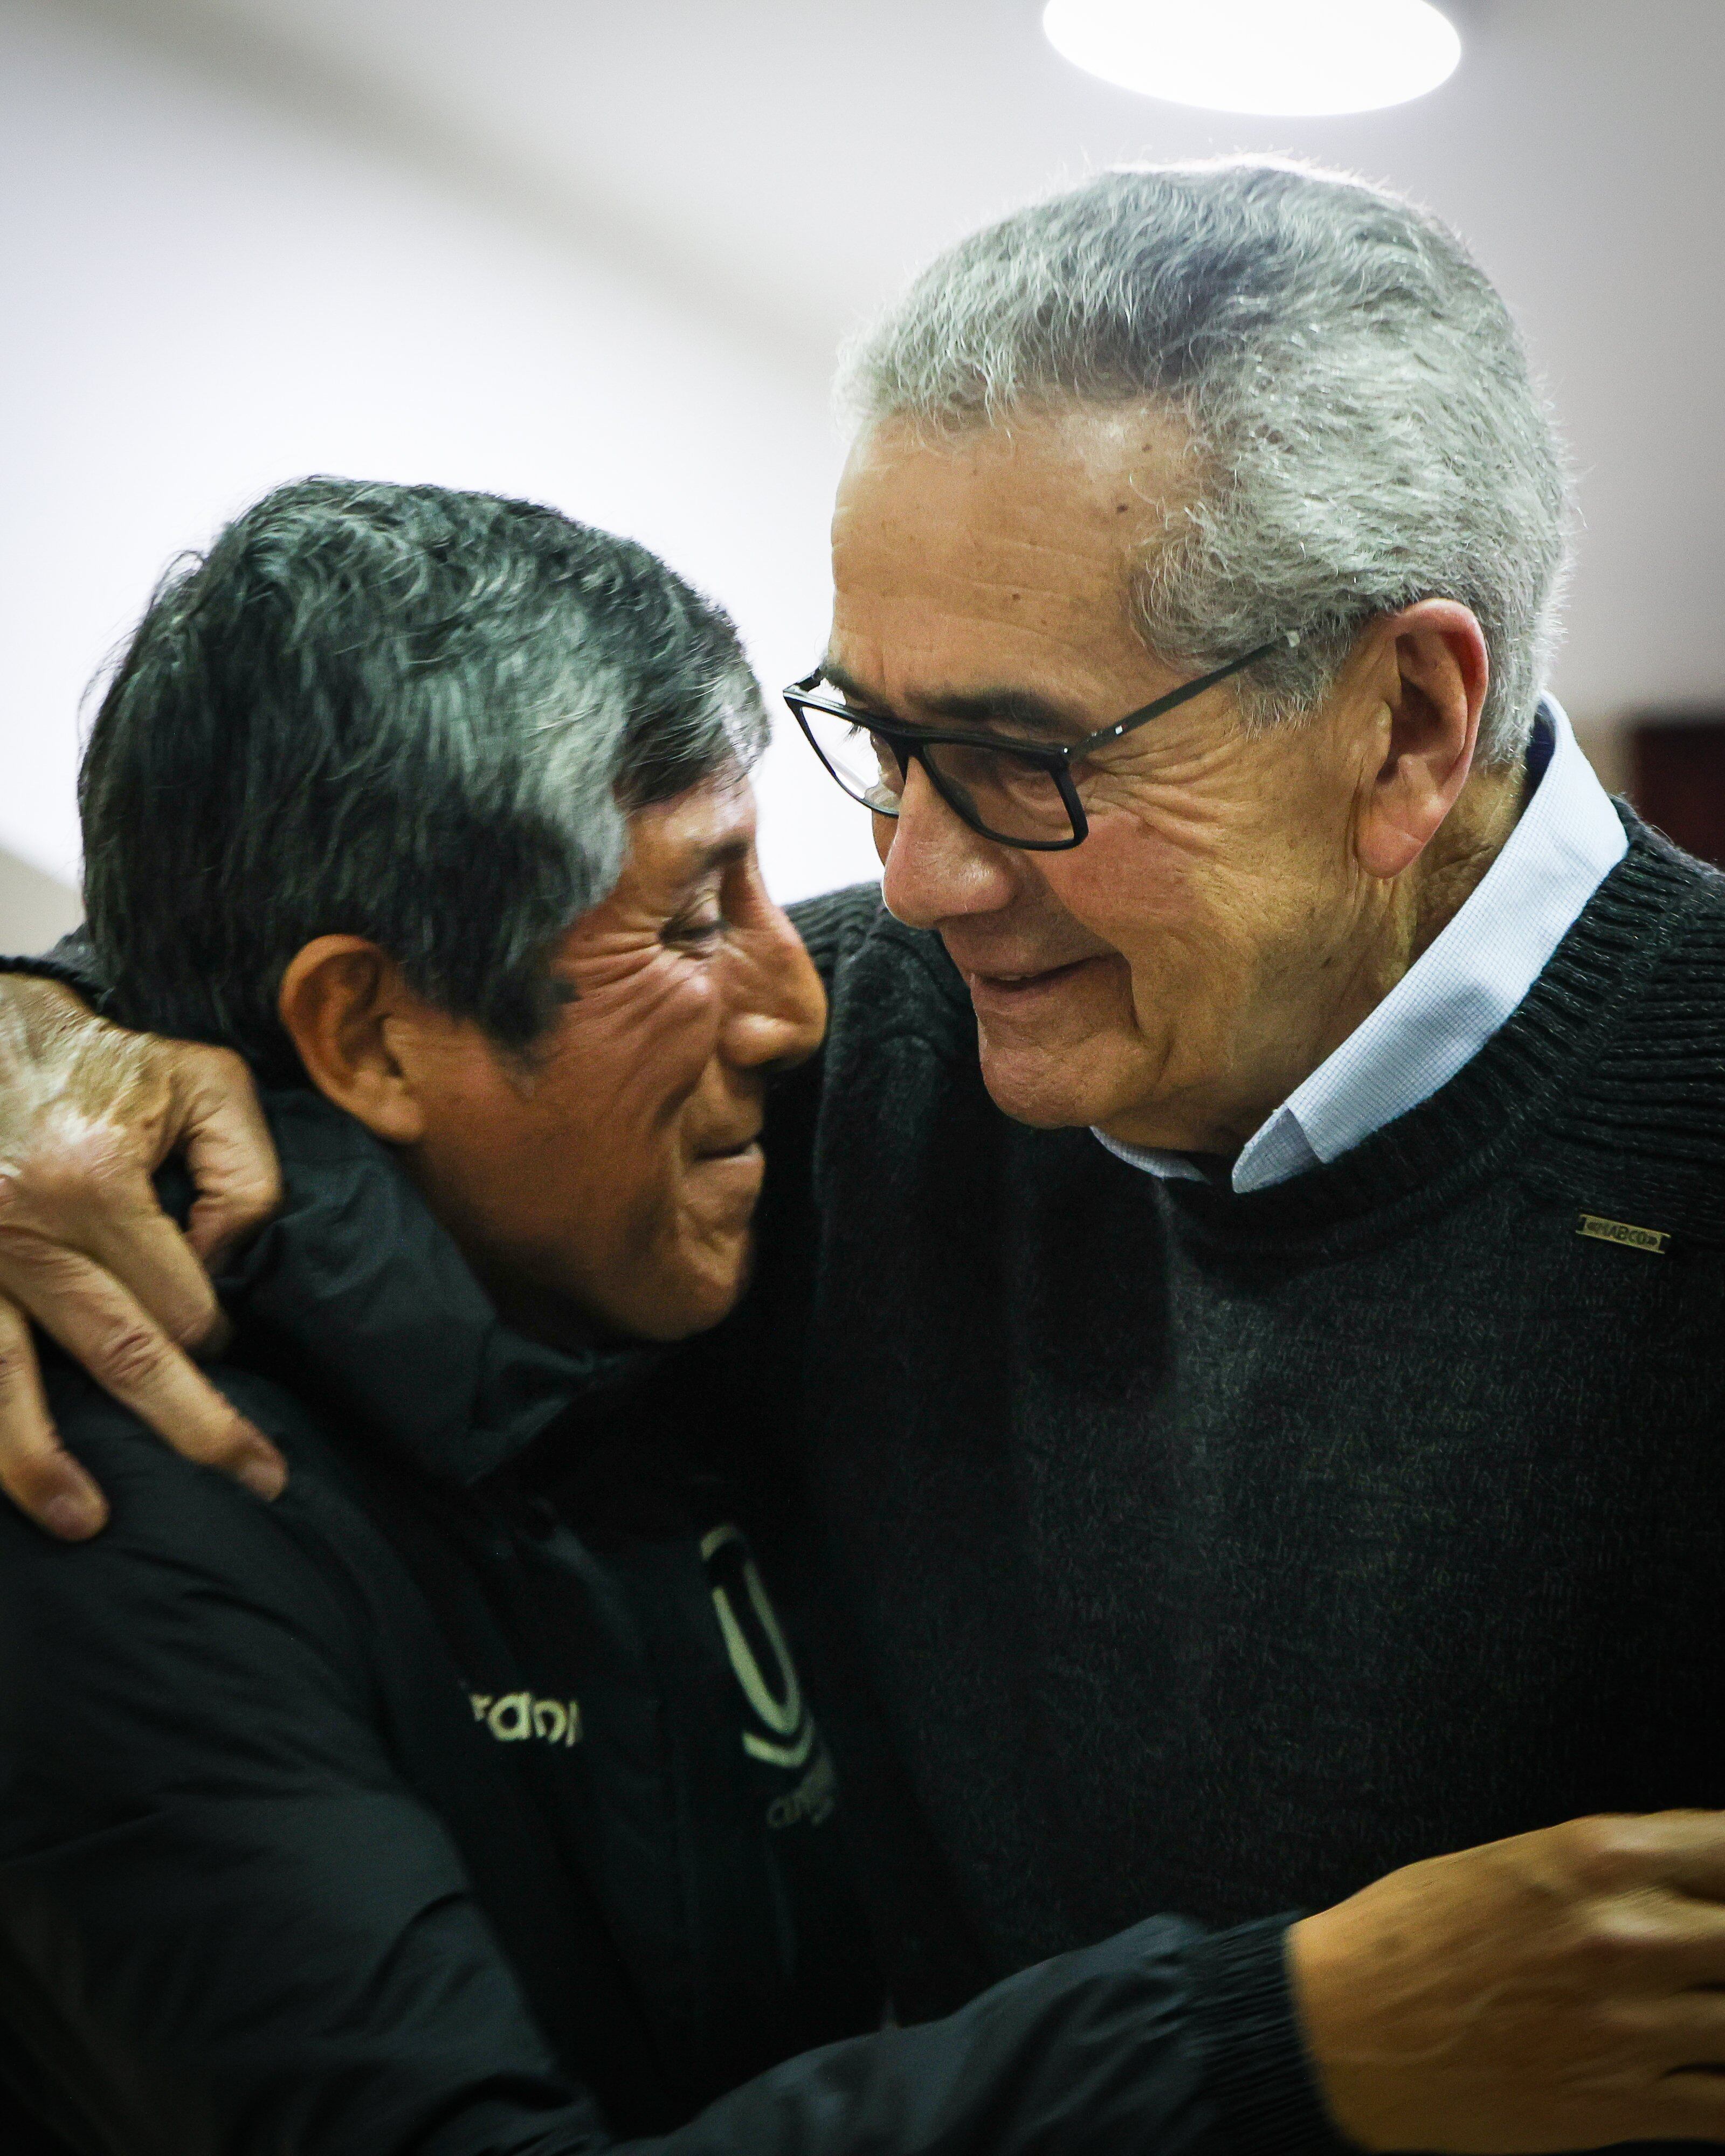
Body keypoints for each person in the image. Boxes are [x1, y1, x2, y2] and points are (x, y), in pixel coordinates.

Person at [7, 163, 1725, 2153]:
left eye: (1020, 764)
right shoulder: (839, 1067)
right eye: (878, 741)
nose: (909, 883)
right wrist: (33, 1040)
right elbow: (305, 983)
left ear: (1409, 724)